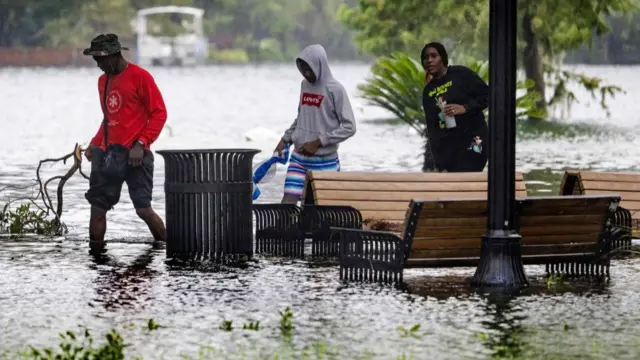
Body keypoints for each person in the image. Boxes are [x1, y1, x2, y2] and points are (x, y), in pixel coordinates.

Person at [82, 33, 168, 254]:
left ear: (114, 55)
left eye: (100, 60)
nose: (98, 65)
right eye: (95, 60)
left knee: (143, 209)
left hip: (137, 155)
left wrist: (141, 143)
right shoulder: (103, 81)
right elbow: (109, 119)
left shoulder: (141, 77)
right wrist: (95, 144)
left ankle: (170, 250)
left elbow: (159, 113)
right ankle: (96, 260)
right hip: (110, 155)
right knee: (98, 208)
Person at [274, 44, 356, 204]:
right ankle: (282, 229)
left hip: (325, 161)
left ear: (320, 66)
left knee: (318, 209)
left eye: (309, 69)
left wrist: (319, 142)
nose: (306, 73)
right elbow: (301, 117)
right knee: (287, 202)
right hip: (299, 157)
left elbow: (349, 127)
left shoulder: (335, 90)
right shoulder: (304, 86)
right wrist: (285, 139)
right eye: (302, 69)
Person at [421, 42, 489, 172]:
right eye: (426, 57)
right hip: (450, 149)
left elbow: (488, 95)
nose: (429, 60)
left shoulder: (461, 74)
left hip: (475, 139)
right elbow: (432, 130)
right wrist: (438, 163)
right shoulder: (428, 92)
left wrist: (464, 108)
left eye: (433, 56)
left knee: (469, 171)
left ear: (443, 58)